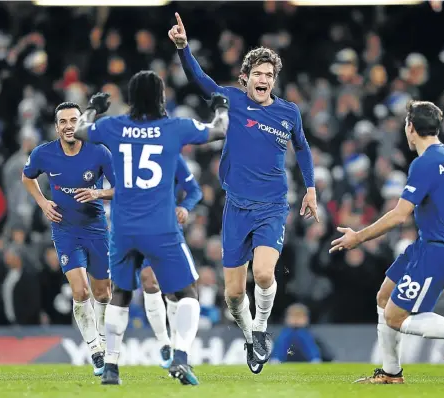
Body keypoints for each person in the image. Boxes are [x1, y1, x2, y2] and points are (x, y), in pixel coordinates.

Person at [168, 12, 318, 375]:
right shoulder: (232, 101)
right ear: (246, 78)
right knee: (234, 296)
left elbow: (302, 147)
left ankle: (262, 329)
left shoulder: (288, 112)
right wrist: (183, 49)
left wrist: (310, 188)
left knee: (264, 274)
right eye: (258, 74)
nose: (264, 79)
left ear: (273, 80)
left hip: (271, 206)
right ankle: (251, 338)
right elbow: (200, 81)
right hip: (235, 207)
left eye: (269, 75)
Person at [73, 70, 229, 386]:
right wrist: (221, 105)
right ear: (160, 97)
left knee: (121, 294)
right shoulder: (174, 128)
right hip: (161, 228)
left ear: (131, 98)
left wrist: (94, 107)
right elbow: (219, 130)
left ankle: (112, 369)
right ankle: (181, 357)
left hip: (123, 227)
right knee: (187, 292)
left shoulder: (114, 126)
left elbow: (78, 129)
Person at [329, 100, 444, 383]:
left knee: (396, 317)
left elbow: (399, 216)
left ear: (411, 128)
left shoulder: (424, 163)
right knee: (384, 298)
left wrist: (358, 237)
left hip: (439, 250)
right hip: (429, 244)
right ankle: (391, 373)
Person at [22, 101, 115, 376]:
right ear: (56, 126)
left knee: (102, 292)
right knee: (80, 291)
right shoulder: (43, 154)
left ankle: (102, 339)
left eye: (73, 120)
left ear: (81, 123)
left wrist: (97, 194)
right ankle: (95, 348)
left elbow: (122, 187)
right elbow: (27, 177)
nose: (68, 126)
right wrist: (42, 202)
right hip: (65, 229)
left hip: (96, 227)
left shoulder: (99, 152)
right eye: (63, 121)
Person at [140, 154, 203, 369]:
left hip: (168, 230)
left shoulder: (173, 157)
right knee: (148, 280)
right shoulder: (127, 153)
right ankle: (164, 342)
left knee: (178, 291)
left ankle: (178, 350)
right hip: (136, 228)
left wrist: (185, 206)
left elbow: (195, 190)